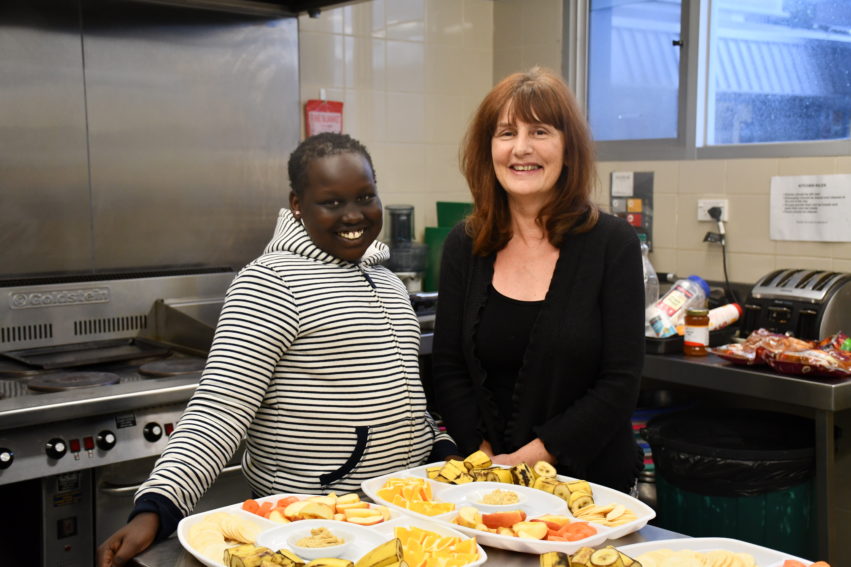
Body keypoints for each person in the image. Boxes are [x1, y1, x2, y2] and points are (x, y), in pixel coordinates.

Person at [97, 132, 456, 566]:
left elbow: (403, 398)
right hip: (311, 527)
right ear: (298, 205)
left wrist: (441, 451)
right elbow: (219, 410)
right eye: (332, 202)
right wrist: (155, 509)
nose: (353, 214)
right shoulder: (269, 284)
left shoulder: (390, 284)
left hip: (400, 517)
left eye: (365, 196)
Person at [431, 67, 644, 494]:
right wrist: (485, 455)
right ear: (487, 148)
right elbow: (448, 366)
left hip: (589, 489)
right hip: (486, 485)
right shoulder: (465, 244)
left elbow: (620, 381)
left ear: (568, 148)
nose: (521, 148)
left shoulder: (612, 243)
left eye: (540, 131)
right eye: (506, 132)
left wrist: (533, 458)